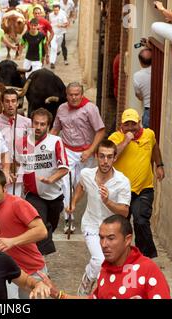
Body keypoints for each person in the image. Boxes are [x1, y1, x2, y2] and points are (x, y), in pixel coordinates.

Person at [36, 215, 171, 299]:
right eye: (101, 238)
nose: (104, 244)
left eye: (111, 238)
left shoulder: (148, 270)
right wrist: (58, 294)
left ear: (128, 239)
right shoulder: (105, 270)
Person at [66, 140, 131, 296]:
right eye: (101, 156)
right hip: (91, 225)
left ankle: (108, 292)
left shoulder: (122, 181)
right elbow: (81, 186)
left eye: (109, 157)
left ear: (115, 158)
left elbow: (124, 212)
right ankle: (87, 281)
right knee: (98, 260)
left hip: (113, 229)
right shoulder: (86, 174)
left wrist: (107, 201)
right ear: (96, 156)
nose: (105, 161)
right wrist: (74, 203)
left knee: (112, 263)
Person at [0, 169, 49, 299]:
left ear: (4, 188)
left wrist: (12, 241)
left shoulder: (18, 204)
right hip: (5, 271)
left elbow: (42, 231)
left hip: (31, 269)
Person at [50, 82, 106, 234]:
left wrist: (90, 150)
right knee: (66, 182)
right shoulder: (61, 108)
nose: (74, 97)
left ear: (82, 94)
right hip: (67, 150)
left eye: (77, 94)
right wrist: (47, 144)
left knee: (81, 185)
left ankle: (88, 214)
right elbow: (56, 128)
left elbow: (100, 131)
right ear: (66, 95)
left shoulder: (90, 109)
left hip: (85, 152)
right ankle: (69, 218)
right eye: (70, 94)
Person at [108, 108, 164, 259]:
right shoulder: (115, 138)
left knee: (140, 221)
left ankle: (144, 256)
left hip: (144, 189)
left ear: (139, 123)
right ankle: (120, 255)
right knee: (121, 225)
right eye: (127, 124)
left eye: (134, 124)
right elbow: (112, 156)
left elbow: (155, 148)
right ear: (122, 125)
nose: (131, 127)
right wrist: (126, 140)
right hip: (121, 191)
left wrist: (159, 165)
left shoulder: (149, 134)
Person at [16, 108, 69, 256]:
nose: (38, 127)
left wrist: (51, 179)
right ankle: (41, 267)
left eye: (42, 124)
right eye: (36, 123)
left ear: (48, 126)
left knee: (49, 227)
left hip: (54, 196)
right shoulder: (23, 142)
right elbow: (17, 163)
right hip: (33, 195)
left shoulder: (56, 142)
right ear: (31, 123)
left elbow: (64, 169)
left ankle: (40, 260)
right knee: (40, 229)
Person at [0, 88, 32, 196]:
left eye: (13, 101)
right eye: (7, 101)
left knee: (15, 205)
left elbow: (29, 150)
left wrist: (19, 167)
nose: (10, 104)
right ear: (2, 103)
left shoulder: (27, 123)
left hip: (19, 173)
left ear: (18, 103)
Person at [133, 48, 152, 128]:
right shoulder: (160, 70)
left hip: (148, 110)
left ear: (140, 62)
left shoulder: (137, 76)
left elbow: (139, 96)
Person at [48, 4, 69, 69]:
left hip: (61, 33)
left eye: (57, 10)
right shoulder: (50, 15)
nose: (55, 11)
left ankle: (65, 59)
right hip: (53, 33)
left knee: (62, 46)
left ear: (59, 10)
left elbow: (67, 24)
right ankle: (52, 63)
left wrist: (61, 26)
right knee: (53, 48)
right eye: (54, 10)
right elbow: (49, 22)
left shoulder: (62, 15)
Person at [59, 0, 75, 65]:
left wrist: (70, 19)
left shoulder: (71, 2)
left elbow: (72, 11)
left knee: (63, 42)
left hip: (65, 21)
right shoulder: (59, 3)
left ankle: (65, 59)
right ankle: (57, 49)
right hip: (59, 21)